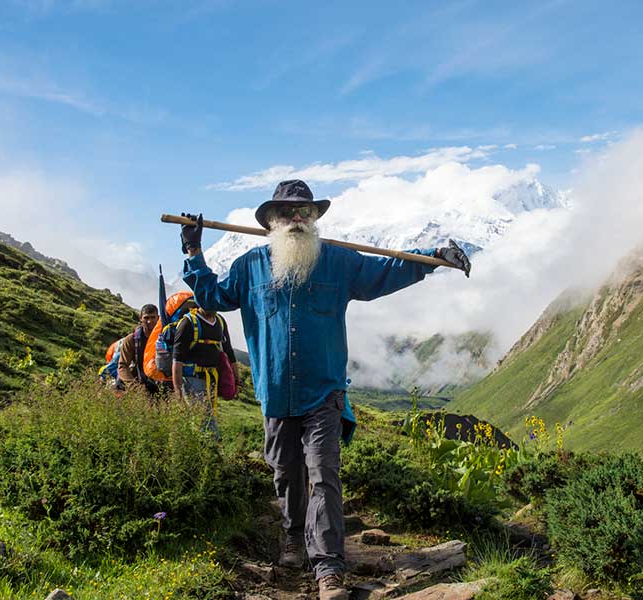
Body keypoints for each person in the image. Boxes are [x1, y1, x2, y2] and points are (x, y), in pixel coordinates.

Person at [179, 179, 469, 600]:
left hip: (324, 393)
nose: (297, 218)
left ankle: (329, 568)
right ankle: (294, 537)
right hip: (276, 392)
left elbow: (385, 273)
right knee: (285, 472)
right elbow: (213, 295)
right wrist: (193, 252)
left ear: (314, 218)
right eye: (287, 213)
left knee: (323, 475)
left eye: (305, 212)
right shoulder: (250, 267)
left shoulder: (337, 262)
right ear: (272, 221)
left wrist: (434, 258)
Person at [171, 303, 238, 437]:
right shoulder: (188, 323)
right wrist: (178, 392)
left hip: (212, 379)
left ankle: (197, 449)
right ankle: (214, 450)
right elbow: (177, 360)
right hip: (192, 379)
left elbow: (228, 351)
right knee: (205, 421)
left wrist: (236, 380)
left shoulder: (220, 321)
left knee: (203, 418)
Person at [117, 304, 160, 393]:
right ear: (140, 318)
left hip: (159, 381)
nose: (149, 321)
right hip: (138, 380)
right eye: (146, 318)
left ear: (158, 318)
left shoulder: (164, 338)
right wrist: (134, 386)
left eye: (153, 317)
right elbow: (122, 366)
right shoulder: (131, 340)